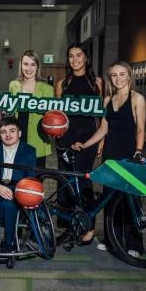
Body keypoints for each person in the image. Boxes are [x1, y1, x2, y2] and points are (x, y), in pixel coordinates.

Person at [73, 61, 146, 253]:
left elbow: (140, 129)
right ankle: (112, 241)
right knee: (109, 198)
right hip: (110, 155)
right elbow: (103, 129)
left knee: (130, 199)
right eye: (114, 75)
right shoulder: (107, 100)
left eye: (122, 74)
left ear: (129, 76)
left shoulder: (137, 99)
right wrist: (86, 144)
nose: (118, 78)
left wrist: (138, 152)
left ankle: (134, 244)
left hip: (129, 153)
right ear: (110, 78)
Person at [56, 42, 103, 205]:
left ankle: (86, 226)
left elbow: (102, 116)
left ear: (86, 58)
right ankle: (67, 223)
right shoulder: (62, 84)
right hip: (65, 137)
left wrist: (101, 140)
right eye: (71, 56)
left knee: (84, 179)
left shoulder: (97, 83)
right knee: (65, 180)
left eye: (79, 55)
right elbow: (58, 115)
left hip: (87, 138)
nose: (74, 60)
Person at [0, 117, 36, 252]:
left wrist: (19, 191)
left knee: (8, 205)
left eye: (12, 131)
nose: (8, 135)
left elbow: (31, 176)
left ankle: (9, 243)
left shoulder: (29, 150)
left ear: (19, 133)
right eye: (3, 132)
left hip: (18, 188)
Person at [9, 50, 54, 168]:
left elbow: (50, 117)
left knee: (37, 181)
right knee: (18, 180)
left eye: (33, 64)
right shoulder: (13, 85)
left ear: (37, 67)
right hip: (17, 141)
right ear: (21, 65)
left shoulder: (47, 89)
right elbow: (11, 114)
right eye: (25, 64)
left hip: (38, 140)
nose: (28, 68)